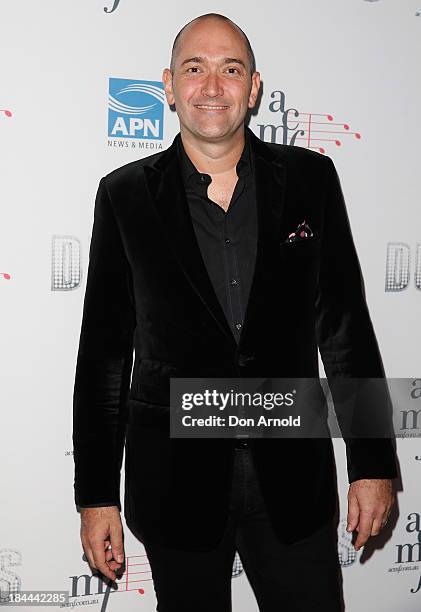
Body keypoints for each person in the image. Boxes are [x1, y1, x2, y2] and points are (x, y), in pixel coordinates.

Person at [73, 13, 398, 611]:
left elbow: (347, 329)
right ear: (168, 86)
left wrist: (372, 462)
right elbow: (104, 357)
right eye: (194, 69)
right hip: (175, 481)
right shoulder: (123, 196)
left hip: (292, 478)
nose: (212, 86)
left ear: (253, 88)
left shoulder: (310, 180)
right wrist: (96, 497)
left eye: (230, 69)